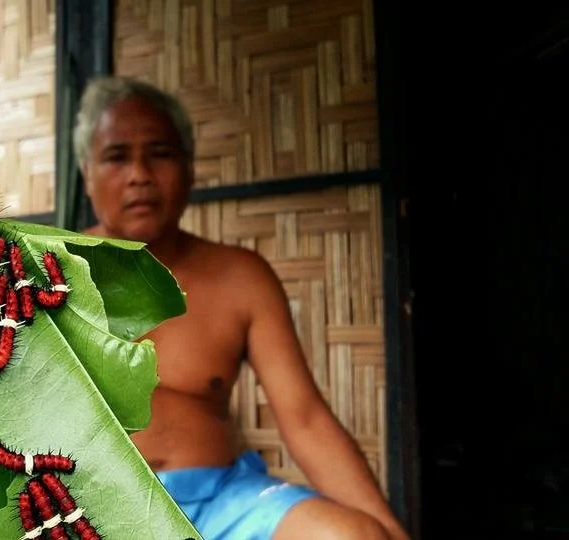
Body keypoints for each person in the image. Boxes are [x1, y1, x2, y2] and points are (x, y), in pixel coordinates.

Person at [73, 76, 411, 540]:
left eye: (161, 153)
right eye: (116, 157)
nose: (140, 174)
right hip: (85, 510)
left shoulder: (240, 278)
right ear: (86, 174)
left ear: (190, 169)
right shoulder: (48, 278)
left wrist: (388, 528)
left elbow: (305, 418)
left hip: (225, 505)